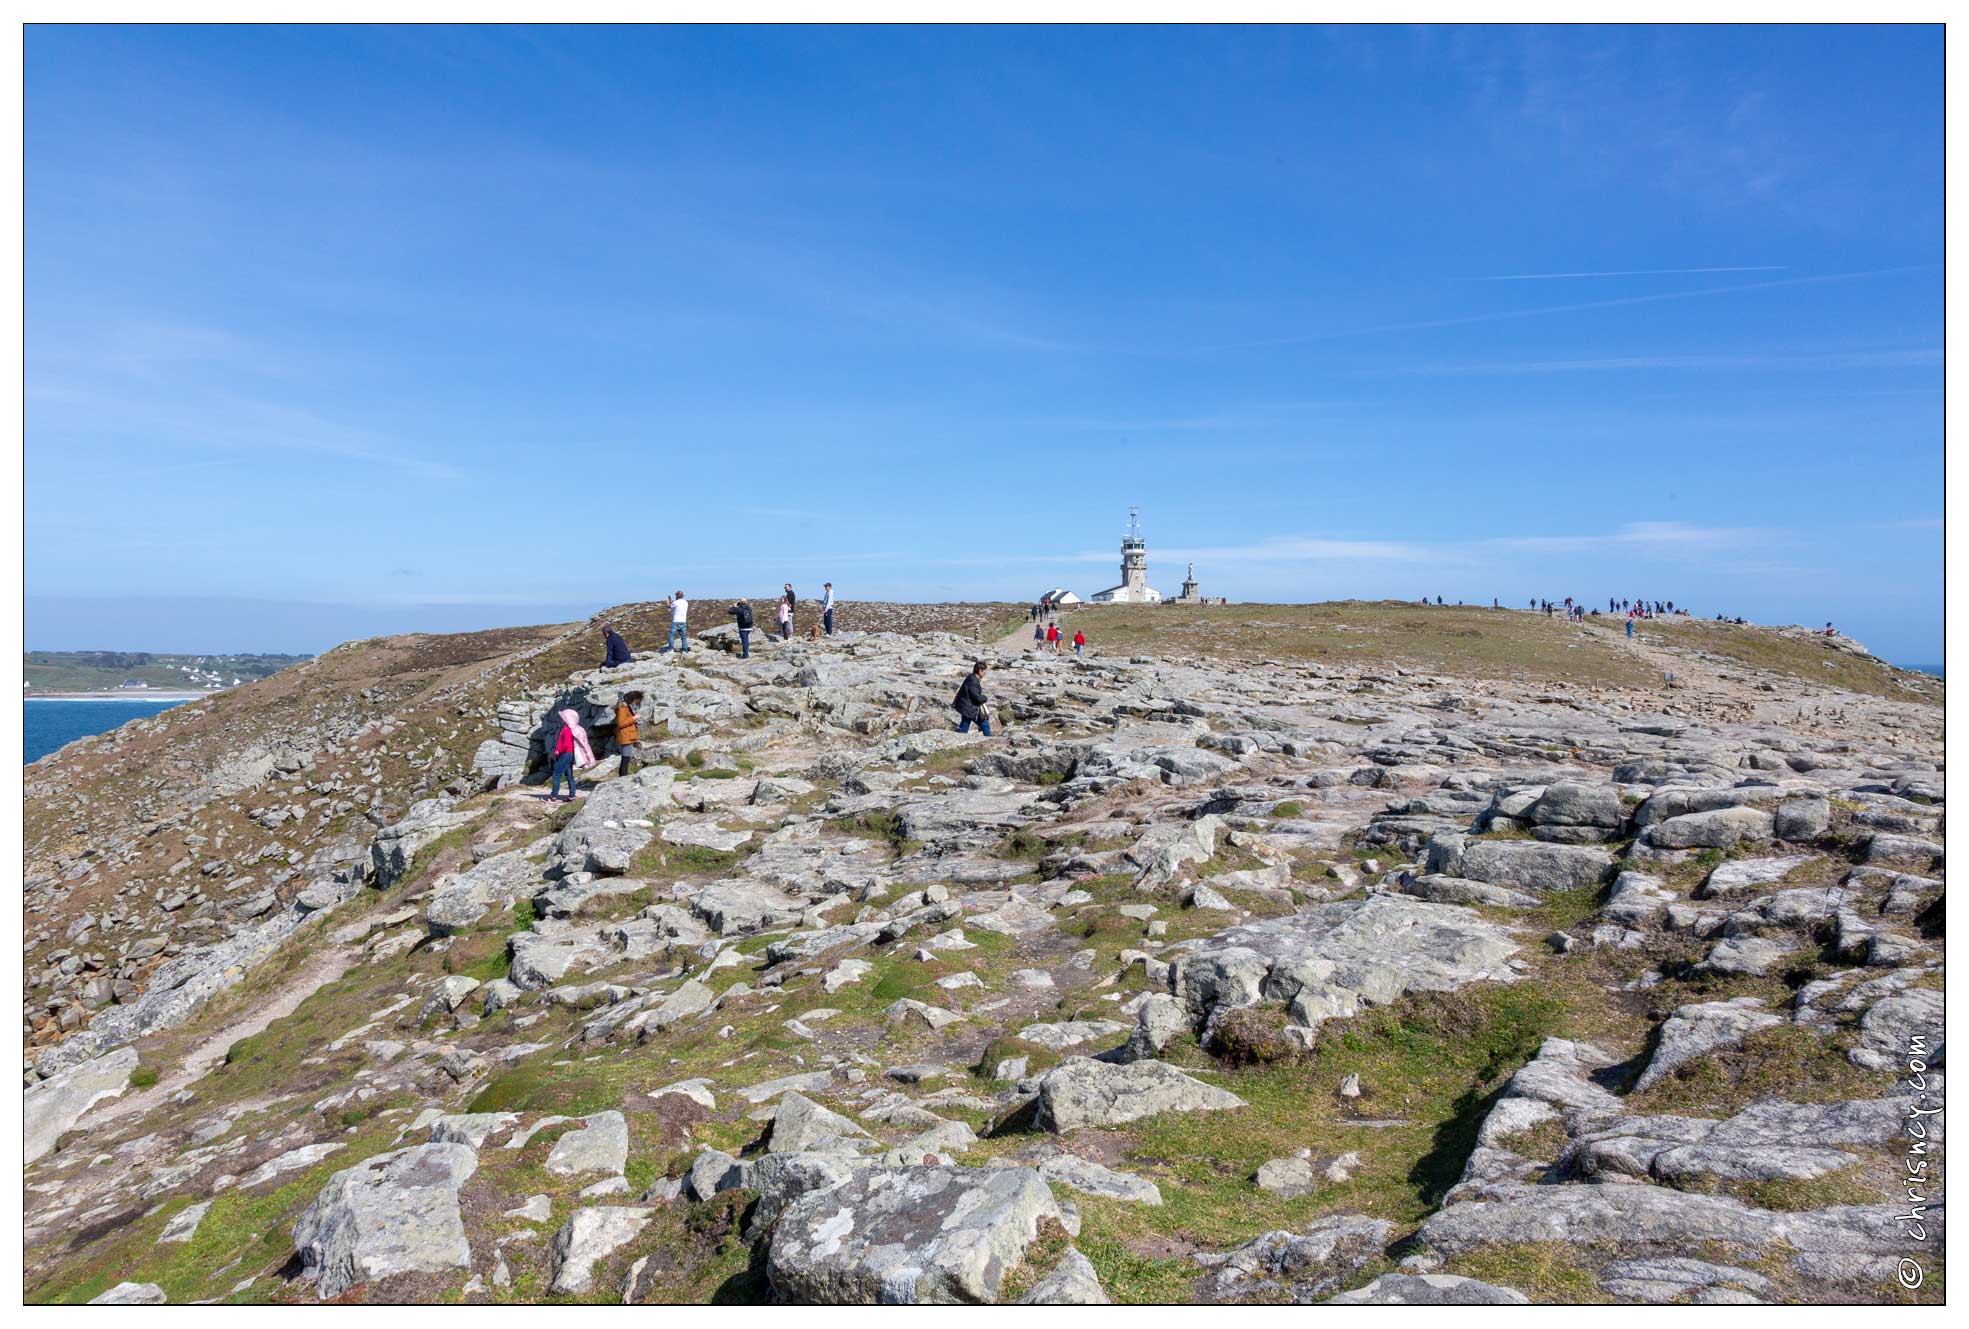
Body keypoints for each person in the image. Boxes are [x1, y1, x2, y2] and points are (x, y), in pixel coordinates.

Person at [549, 707, 594, 802]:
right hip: (570, 754)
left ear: (567, 719)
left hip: (565, 754)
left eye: (563, 718)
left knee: (556, 774)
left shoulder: (566, 730)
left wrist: (558, 751)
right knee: (569, 776)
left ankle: (553, 796)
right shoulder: (572, 729)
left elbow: (566, 744)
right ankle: (572, 795)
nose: (561, 720)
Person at [953, 660, 991, 735]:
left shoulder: (971, 678)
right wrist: (984, 698)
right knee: (983, 725)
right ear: (980, 671)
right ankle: (990, 741)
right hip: (969, 709)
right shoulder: (973, 681)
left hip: (968, 708)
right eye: (984, 671)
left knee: (983, 724)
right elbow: (976, 697)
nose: (985, 673)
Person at [614, 691, 644, 776]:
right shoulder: (623, 708)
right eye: (637, 700)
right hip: (625, 737)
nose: (637, 702)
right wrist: (634, 718)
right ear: (633, 699)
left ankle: (622, 778)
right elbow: (621, 723)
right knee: (625, 759)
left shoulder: (626, 707)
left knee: (625, 759)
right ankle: (623, 778)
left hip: (628, 736)